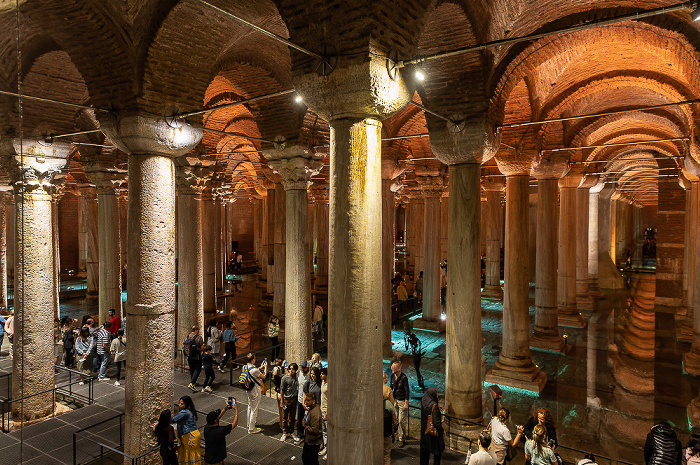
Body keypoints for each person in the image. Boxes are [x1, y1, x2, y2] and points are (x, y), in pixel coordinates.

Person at [203, 400, 239, 465]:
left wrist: (224, 409)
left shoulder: (206, 427)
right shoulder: (220, 431)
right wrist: (236, 410)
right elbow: (235, 423)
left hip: (207, 459)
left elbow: (218, 418)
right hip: (216, 461)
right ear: (215, 421)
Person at [172, 396, 201, 465]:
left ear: (186, 404)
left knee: (188, 455)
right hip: (195, 434)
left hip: (189, 436)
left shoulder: (184, 412)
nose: (179, 405)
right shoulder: (192, 411)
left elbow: (173, 420)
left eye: (182, 404)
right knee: (194, 454)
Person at [243, 352, 267, 434]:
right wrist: (265, 368)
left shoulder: (244, 367)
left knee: (250, 406)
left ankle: (249, 423)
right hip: (255, 391)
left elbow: (253, 372)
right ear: (253, 360)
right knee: (254, 409)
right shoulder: (255, 370)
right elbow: (264, 376)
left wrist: (260, 367)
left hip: (248, 390)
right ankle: (251, 428)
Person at [420, 387, 445, 465]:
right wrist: (441, 431)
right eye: (436, 393)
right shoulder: (434, 406)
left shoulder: (424, 399)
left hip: (424, 430)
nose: (438, 394)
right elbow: (436, 423)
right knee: (437, 453)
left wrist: (436, 407)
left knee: (424, 452)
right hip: (433, 434)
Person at [390, 361, 409, 447]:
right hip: (395, 400)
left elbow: (406, 390)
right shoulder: (392, 376)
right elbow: (391, 387)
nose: (391, 369)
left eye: (393, 368)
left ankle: (402, 438)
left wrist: (406, 403)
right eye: (391, 367)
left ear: (398, 368)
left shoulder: (404, 377)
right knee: (396, 419)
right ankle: (398, 435)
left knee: (401, 421)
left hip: (401, 401)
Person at [302, 392, 323, 465]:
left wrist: (304, 426)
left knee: (312, 460)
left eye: (308, 400)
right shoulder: (312, 408)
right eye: (306, 400)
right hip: (309, 440)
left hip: (313, 442)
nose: (306, 402)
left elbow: (315, 430)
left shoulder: (315, 413)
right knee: (306, 458)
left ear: (313, 401)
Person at [280, 362, 299, 442]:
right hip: (286, 399)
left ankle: (291, 432)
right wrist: (282, 400)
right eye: (290, 369)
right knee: (285, 417)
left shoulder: (296, 376)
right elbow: (282, 389)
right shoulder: (285, 378)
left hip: (294, 399)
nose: (291, 371)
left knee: (292, 416)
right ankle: (285, 432)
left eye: (293, 369)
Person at [185, 325, 204, 392]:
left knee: (192, 369)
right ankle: (192, 383)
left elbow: (184, 344)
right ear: (197, 330)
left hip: (189, 356)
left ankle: (193, 381)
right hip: (196, 356)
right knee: (197, 369)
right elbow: (201, 346)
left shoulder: (187, 336)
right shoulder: (199, 337)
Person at [383, 380, 398, 465]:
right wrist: (395, 429)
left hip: (376, 433)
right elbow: (394, 419)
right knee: (387, 455)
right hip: (387, 432)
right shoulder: (388, 404)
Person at [296, 360, 310, 443]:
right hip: (300, 399)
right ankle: (300, 434)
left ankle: (308, 435)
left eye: (304, 368)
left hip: (309, 401)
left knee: (309, 419)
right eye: (301, 367)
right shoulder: (299, 374)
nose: (302, 369)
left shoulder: (310, 375)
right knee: (300, 418)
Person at [319, 367, 328, 459]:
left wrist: (327, 414)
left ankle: (329, 451)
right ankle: (325, 448)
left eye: (322, 374)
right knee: (324, 431)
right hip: (322, 409)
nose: (320, 375)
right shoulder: (322, 382)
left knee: (328, 432)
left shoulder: (329, 385)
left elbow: (330, 400)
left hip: (326, 411)